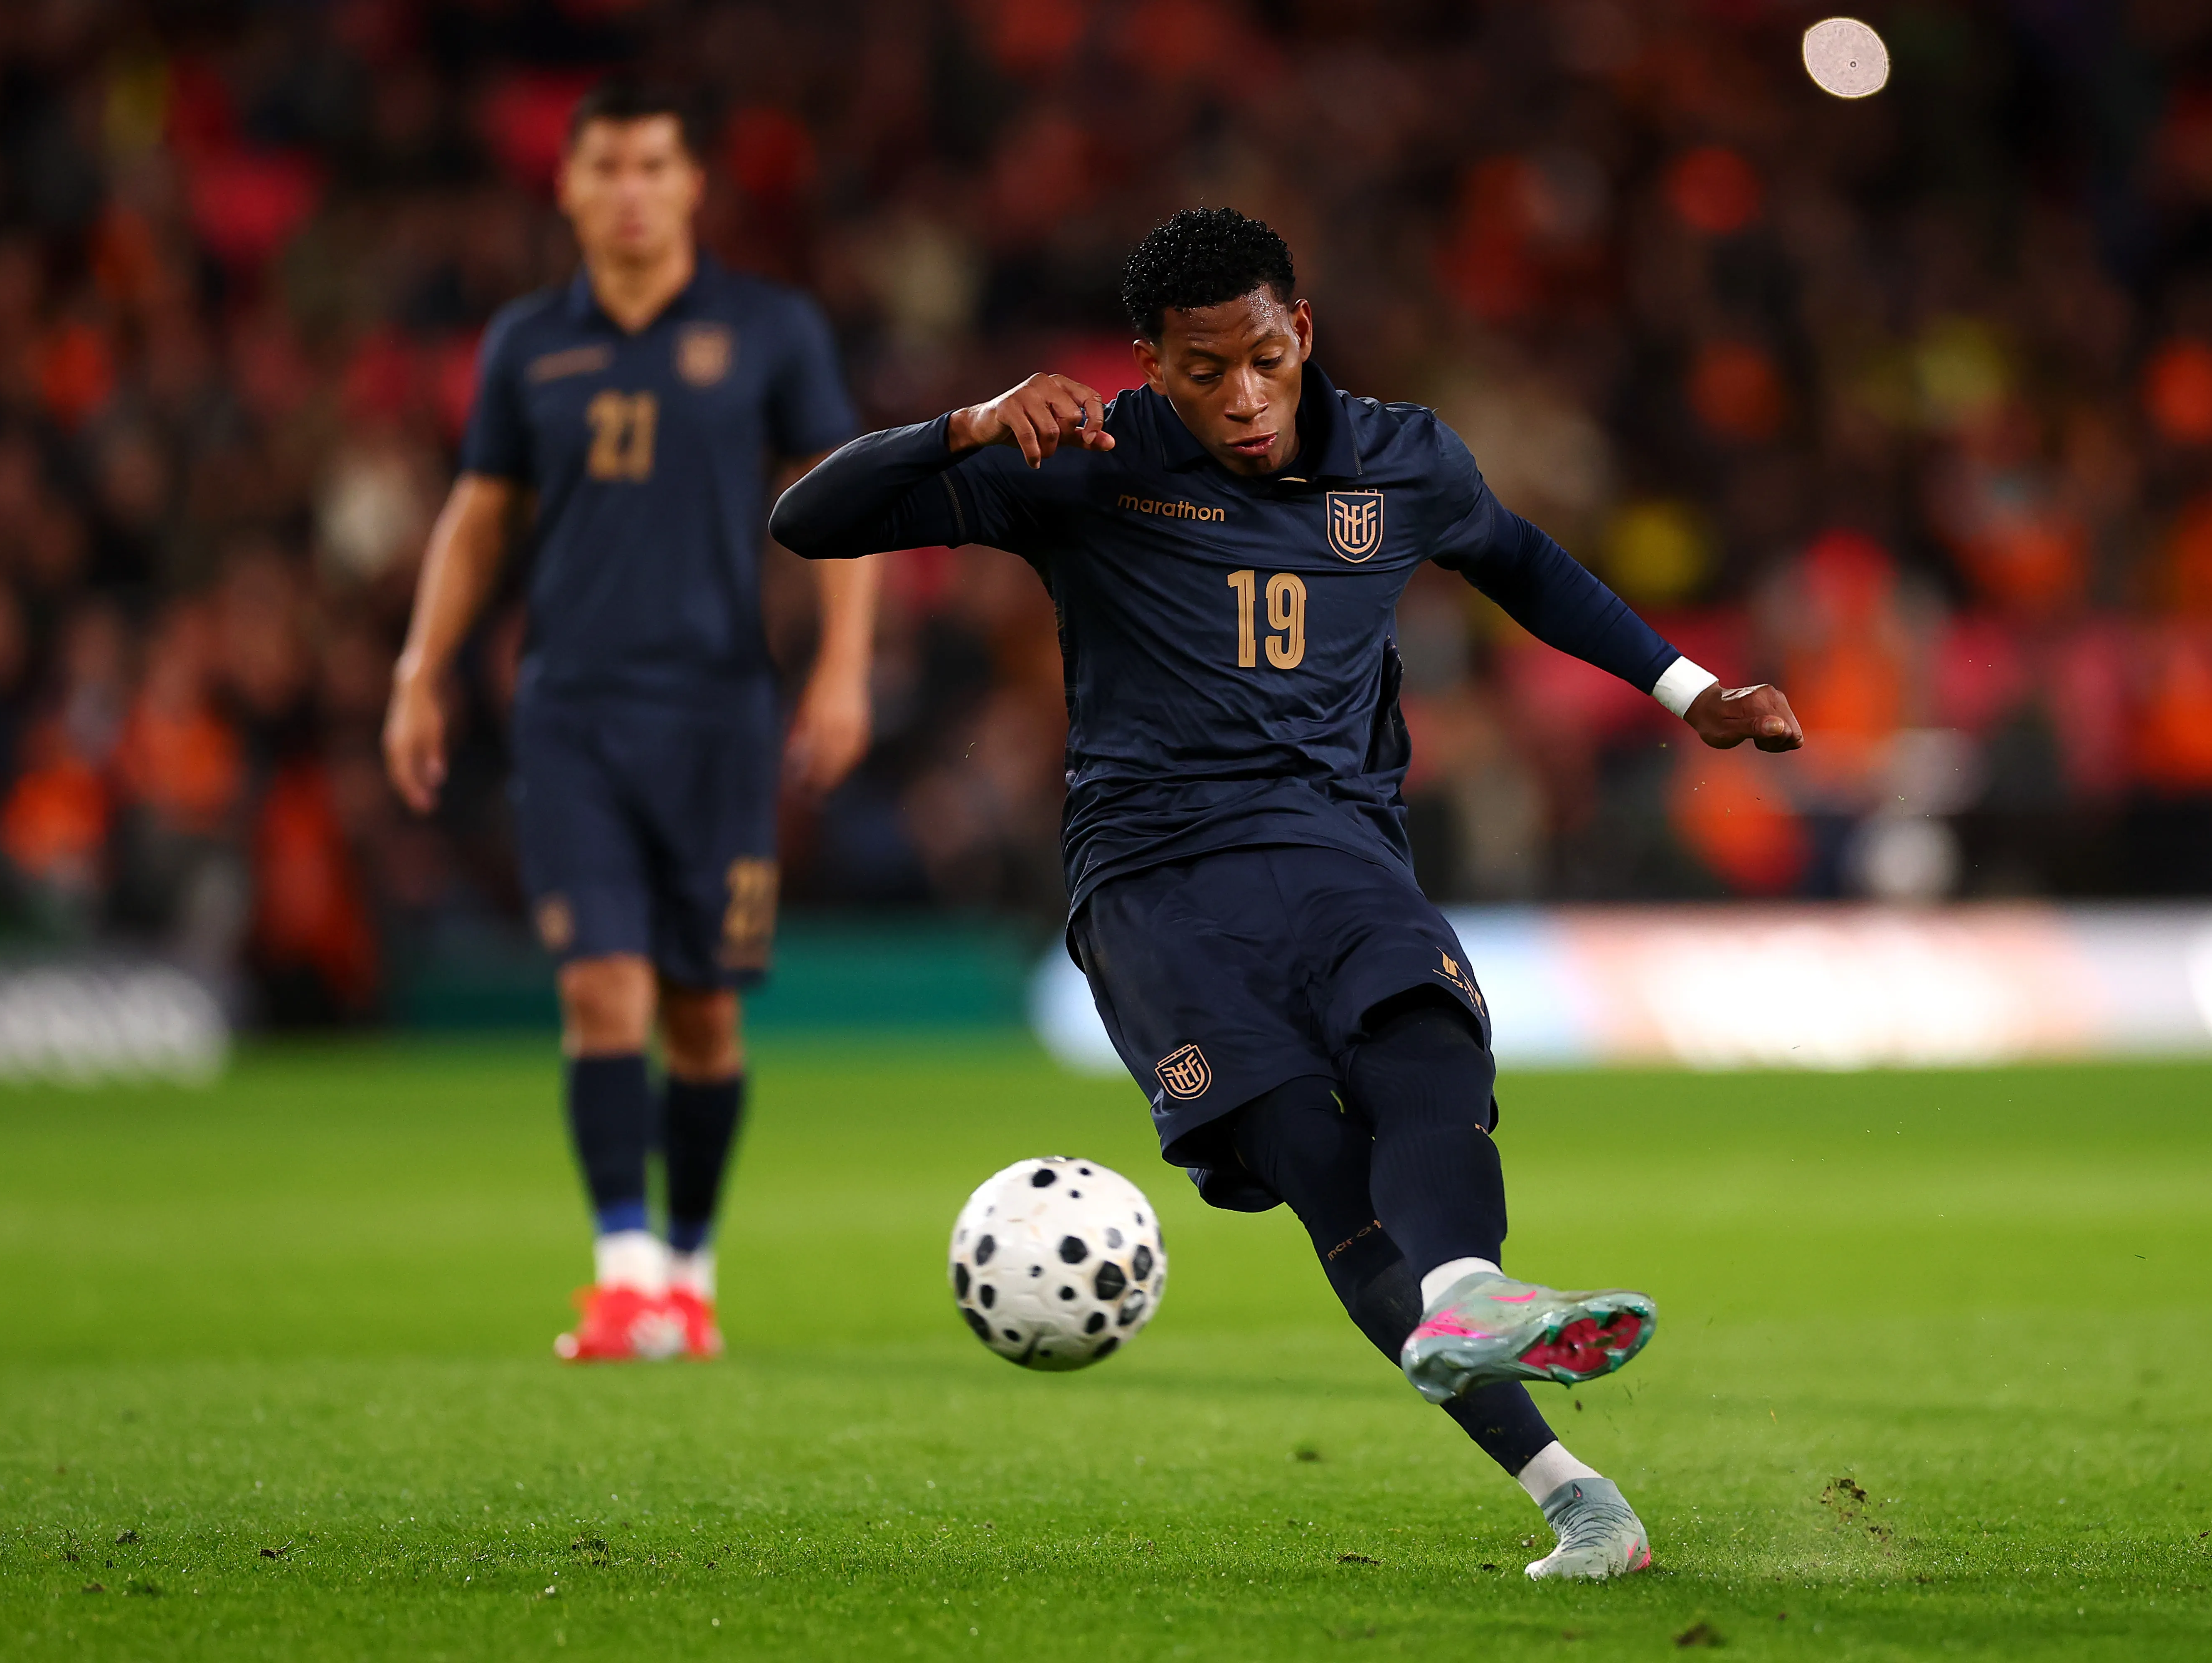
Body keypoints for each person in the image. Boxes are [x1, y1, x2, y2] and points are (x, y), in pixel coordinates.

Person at [771, 208, 1802, 1578]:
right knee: (1322, 1170)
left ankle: (1470, 1292)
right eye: (1204, 373)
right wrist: (967, 422)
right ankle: (1576, 1498)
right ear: (1151, 365)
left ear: (1302, 332)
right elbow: (807, 521)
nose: (1243, 398)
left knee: (1423, 1041)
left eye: (1264, 357)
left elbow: (1522, 563)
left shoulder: (1405, 458)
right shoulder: (1087, 463)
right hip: (1150, 886)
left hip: (1336, 845)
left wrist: (1693, 694)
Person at [384, 83, 875, 1363]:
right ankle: (622, 1275)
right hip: (573, 714)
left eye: (655, 164)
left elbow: (845, 506)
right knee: (602, 989)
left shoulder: (770, 331)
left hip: (719, 713)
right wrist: (419, 666)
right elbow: (479, 513)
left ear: (694, 183)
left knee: (703, 1013)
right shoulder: (524, 344)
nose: (631, 190)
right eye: (605, 167)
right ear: (568, 187)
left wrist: (844, 672)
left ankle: (692, 1274)